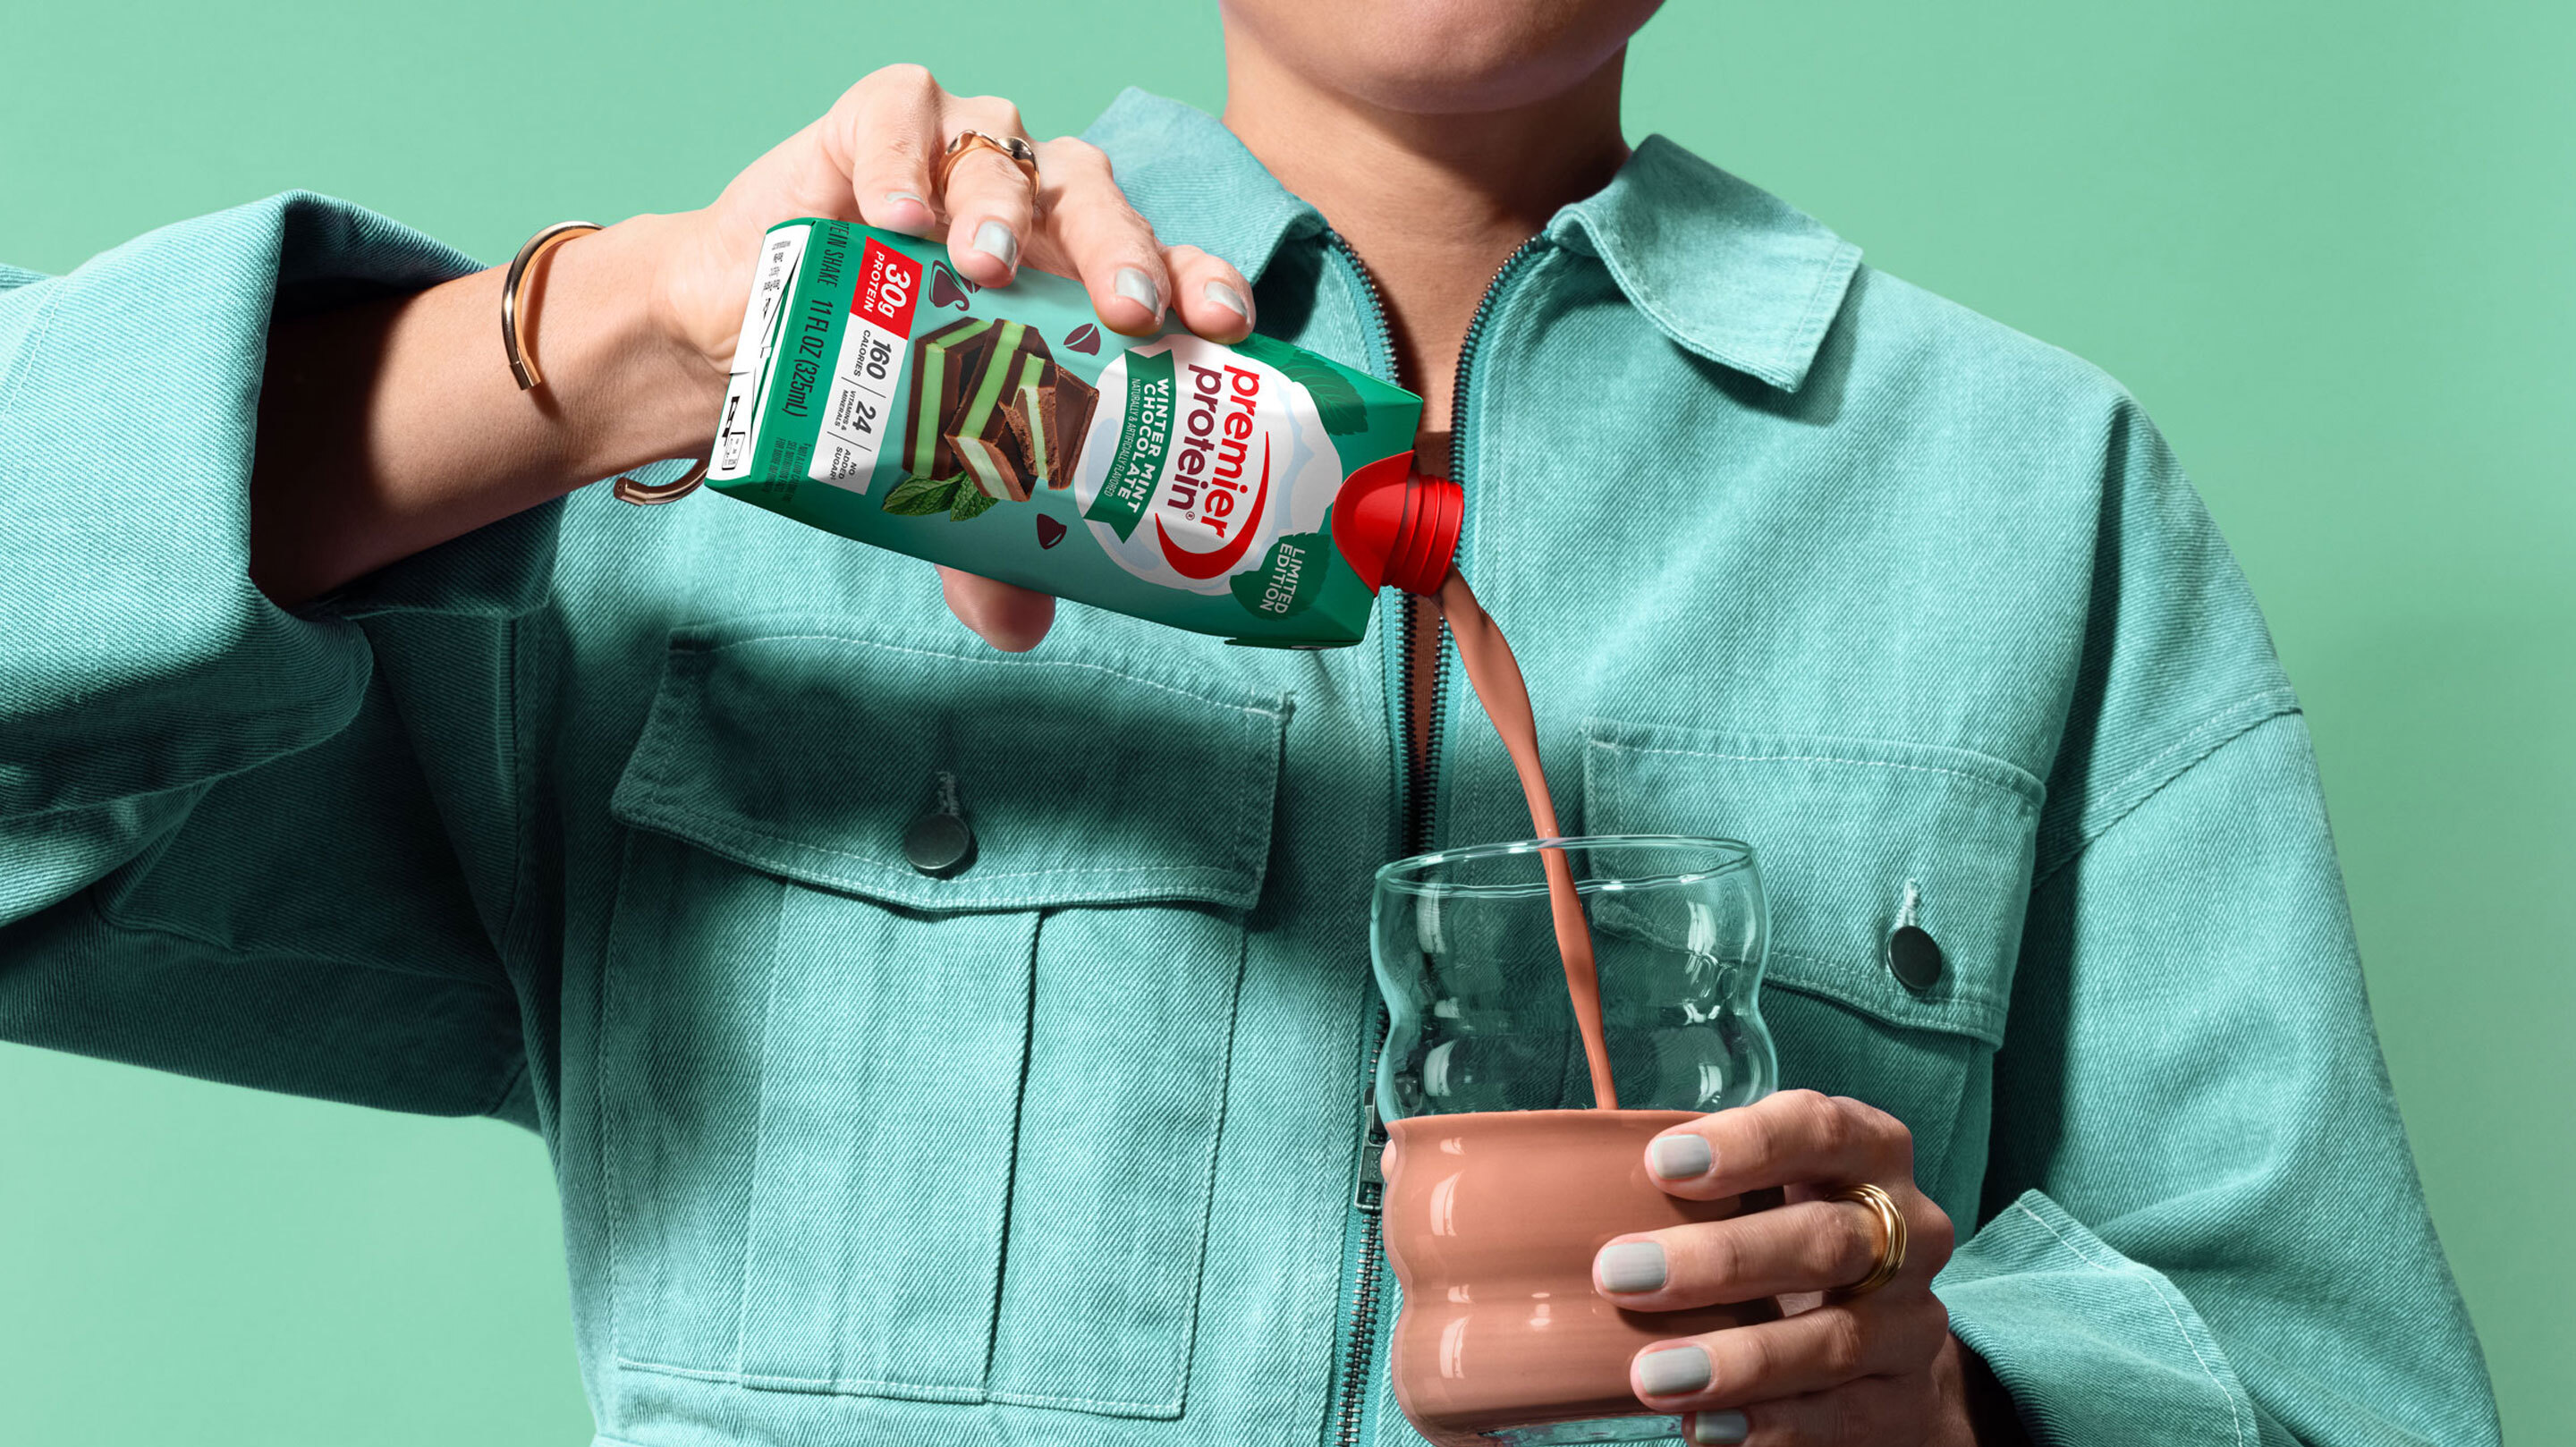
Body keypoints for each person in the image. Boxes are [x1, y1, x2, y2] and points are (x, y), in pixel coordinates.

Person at [0, 2, 2500, 1444]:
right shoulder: (770, 431)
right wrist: (608, 345)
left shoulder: (2033, 501)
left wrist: (1951, 1400)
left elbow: (2345, 1391)